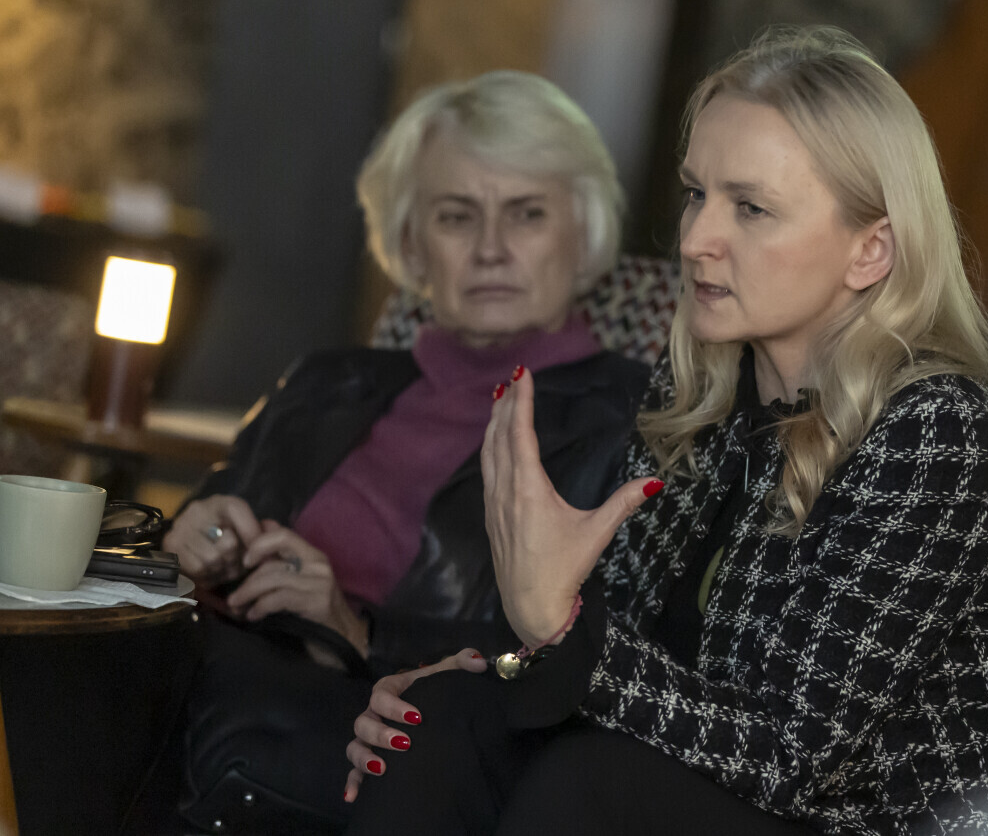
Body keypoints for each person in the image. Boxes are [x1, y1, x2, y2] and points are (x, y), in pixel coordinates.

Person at [342, 26, 988, 834]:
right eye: (696, 194)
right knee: (440, 719)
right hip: (708, 789)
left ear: (871, 250)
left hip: (874, 820)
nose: (693, 241)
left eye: (750, 208)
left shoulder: (939, 430)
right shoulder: (707, 388)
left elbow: (792, 753)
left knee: (598, 781)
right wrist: (501, 665)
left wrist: (563, 635)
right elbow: (625, 649)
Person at [165, 71, 650, 833]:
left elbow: (598, 662)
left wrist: (354, 628)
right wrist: (193, 540)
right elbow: (196, 532)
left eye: (526, 214)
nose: (490, 248)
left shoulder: (637, 419)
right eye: (456, 216)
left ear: (583, 233)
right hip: (211, 674)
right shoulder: (328, 379)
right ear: (413, 246)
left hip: (382, 739)